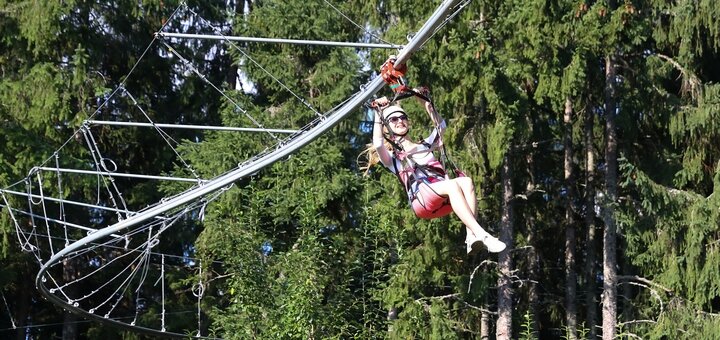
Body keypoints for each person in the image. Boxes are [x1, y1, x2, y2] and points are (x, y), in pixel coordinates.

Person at [362, 93, 506, 254]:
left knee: (466, 181)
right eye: (393, 120)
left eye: (402, 117)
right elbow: (378, 143)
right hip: (423, 201)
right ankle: (481, 233)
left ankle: (471, 236)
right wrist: (377, 111)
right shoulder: (393, 159)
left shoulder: (425, 145)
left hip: (445, 199)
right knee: (452, 185)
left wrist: (423, 100)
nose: (400, 121)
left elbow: (441, 126)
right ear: (386, 127)